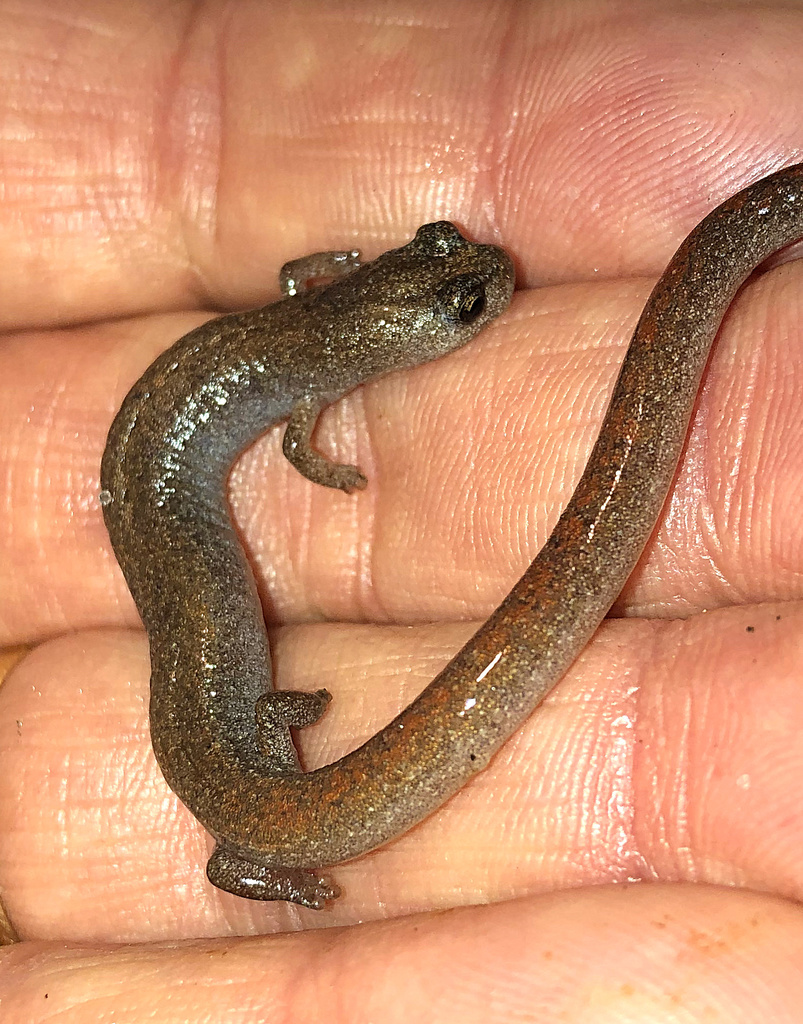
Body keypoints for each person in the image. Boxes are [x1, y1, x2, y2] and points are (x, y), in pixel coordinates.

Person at [1, 1, 802, 1019]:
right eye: (466, 306)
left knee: (217, 657)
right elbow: (234, 855)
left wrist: (286, 850)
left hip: (259, 777)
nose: (490, 281)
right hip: (266, 778)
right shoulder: (309, 361)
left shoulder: (246, 813)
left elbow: (232, 860)